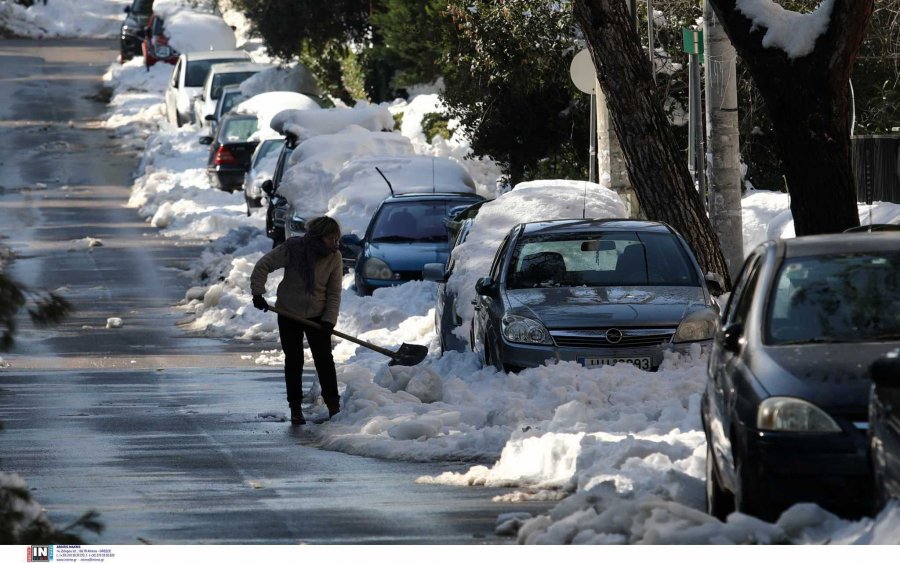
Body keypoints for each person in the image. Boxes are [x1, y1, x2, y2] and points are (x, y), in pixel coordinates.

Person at [250, 216, 343, 425]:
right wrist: (258, 293)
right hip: (289, 312)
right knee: (294, 361)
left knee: (324, 361)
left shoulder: (334, 257)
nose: (335, 243)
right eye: (331, 239)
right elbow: (264, 265)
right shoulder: (293, 249)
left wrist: (329, 320)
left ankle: (334, 406)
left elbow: (334, 292)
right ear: (319, 237)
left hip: (318, 315)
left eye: (337, 238)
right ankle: (295, 408)